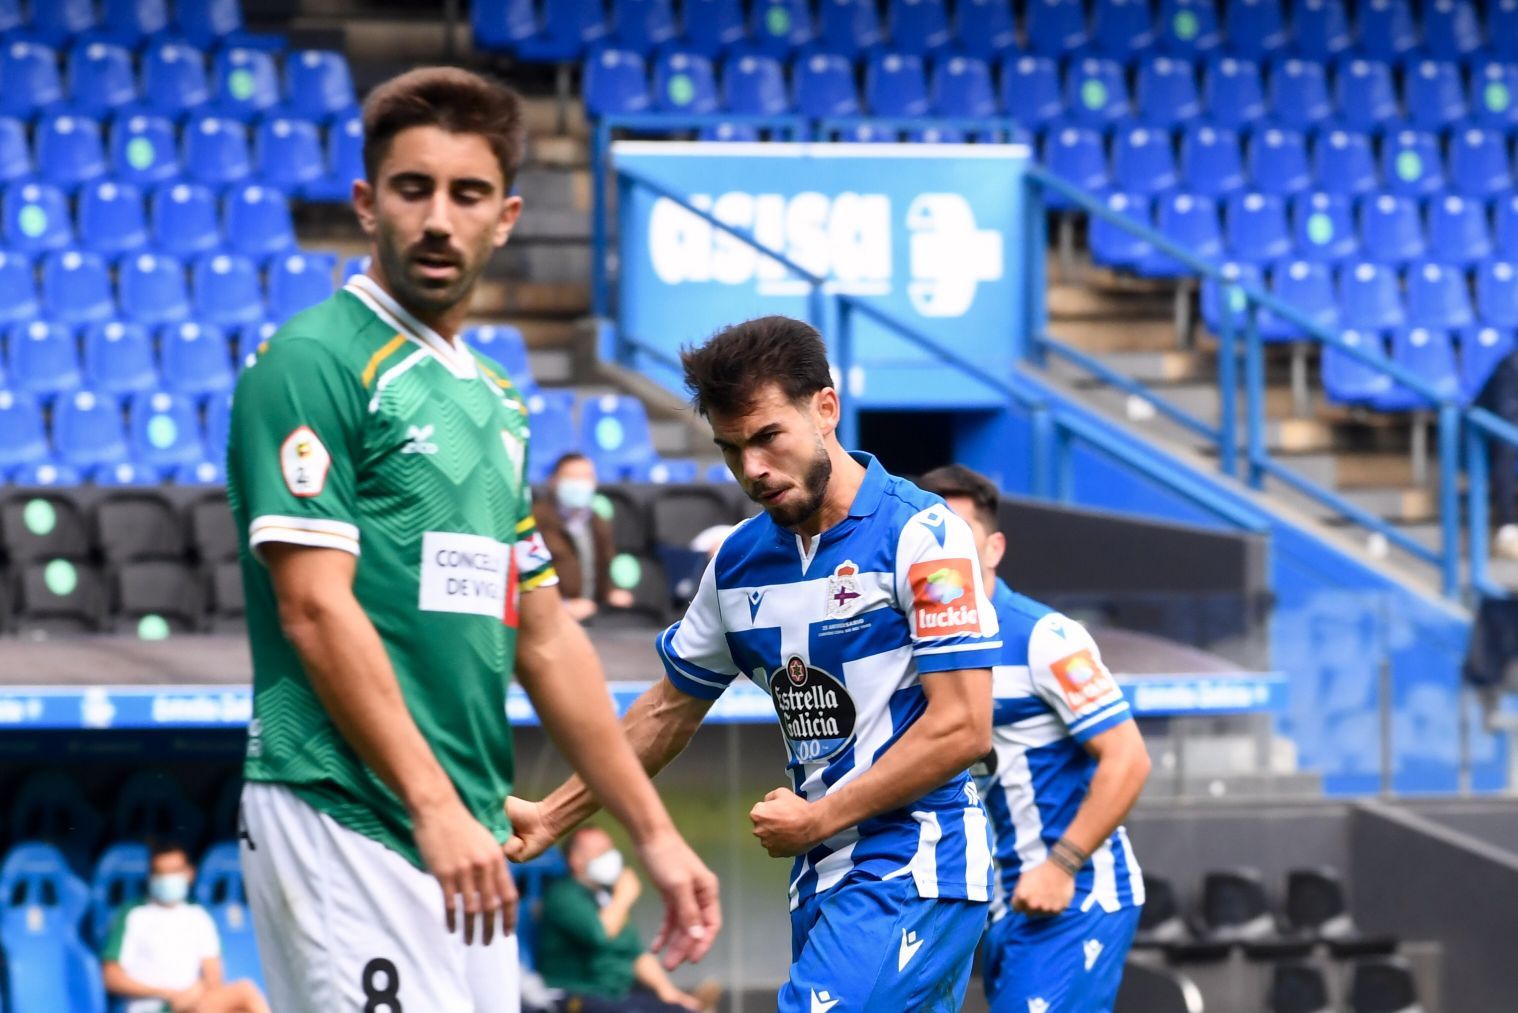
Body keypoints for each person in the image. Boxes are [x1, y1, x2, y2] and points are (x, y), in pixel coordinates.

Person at [225, 67, 719, 1013]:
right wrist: (435, 800)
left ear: (507, 215)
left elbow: (544, 634)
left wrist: (652, 830)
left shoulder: (491, 397)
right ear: (368, 205)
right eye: (413, 189)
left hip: (463, 829)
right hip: (345, 809)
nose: (439, 218)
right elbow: (314, 608)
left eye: (468, 193)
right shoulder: (313, 361)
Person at [508, 316, 1001, 1011]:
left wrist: (821, 814)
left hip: (918, 861)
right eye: (731, 449)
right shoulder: (738, 562)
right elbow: (664, 711)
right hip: (821, 874)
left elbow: (964, 727)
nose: (752, 470)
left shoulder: (924, 534)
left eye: (768, 436)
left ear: (825, 408)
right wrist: (553, 816)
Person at [917, 465, 1151, 1013]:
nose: (943, 554)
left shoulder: (1045, 638)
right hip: (997, 901)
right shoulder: (913, 644)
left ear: (994, 549)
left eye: (959, 537)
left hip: (1072, 896)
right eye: (931, 538)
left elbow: (1129, 757)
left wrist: (1061, 865)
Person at [537, 827, 722, 1013]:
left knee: (678, 1009)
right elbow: (598, 934)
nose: (610, 857)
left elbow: (636, 954)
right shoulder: (563, 896)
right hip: (574, 996)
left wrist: (669, 993)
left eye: (610, 850)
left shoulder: (607, 898)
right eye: (601, 852)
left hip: (617, 995)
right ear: (575, 860)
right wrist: (623, 896)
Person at [101, 840, 269, 1013]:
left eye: (174, 871)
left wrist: (194, 992)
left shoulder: (199, 916)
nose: (167, 879)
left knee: (240, 1004)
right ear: (151, 877)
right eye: (160, 873)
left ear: (189, 873)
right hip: (150, 1006)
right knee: (244, 991)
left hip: (192, 1004)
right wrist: (165, 993)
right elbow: (111, 976)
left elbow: (213, 977)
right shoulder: (133, 915)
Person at [534, 452, 635, 622]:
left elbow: (606, 565)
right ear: (554, 481)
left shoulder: (599, 522)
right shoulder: (536, 520)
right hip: (551, 619)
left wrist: (611, 591)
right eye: (572, 477)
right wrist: (563, 605)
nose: (579, 484)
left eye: (586, 477)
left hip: (593, 618)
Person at [1478, 348, 1518, 560]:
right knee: (1506, 448)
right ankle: (1507, 529)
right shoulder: (1511, 365)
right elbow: (1505, 412)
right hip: (1479, 432)